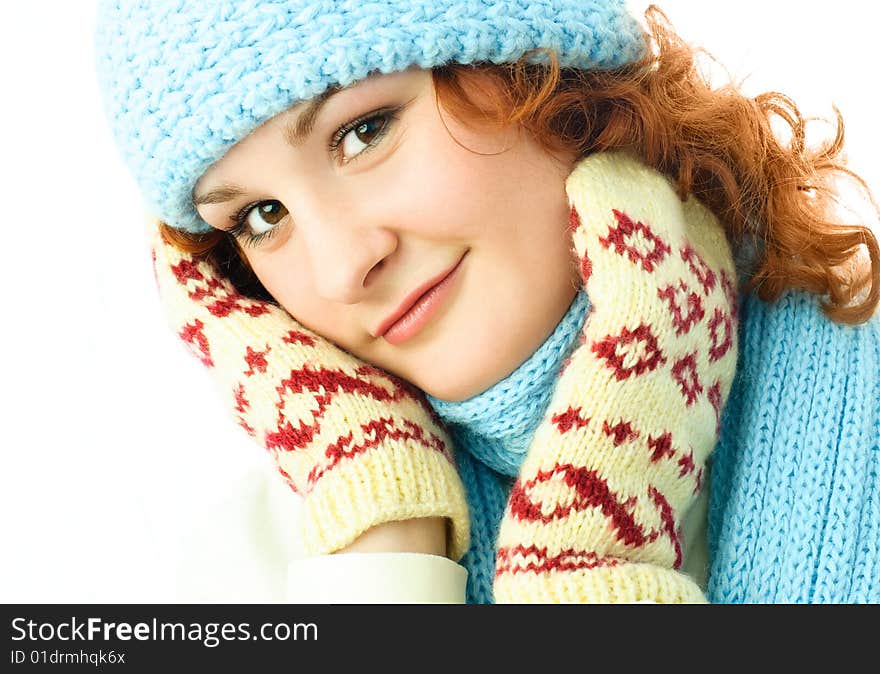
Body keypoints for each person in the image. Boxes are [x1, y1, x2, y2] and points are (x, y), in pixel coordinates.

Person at [94, 0, 880, 603]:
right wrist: (386, 539)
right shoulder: (242, 565)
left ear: (541, 75)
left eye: (364, 132)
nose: (341, 269)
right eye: (262, 218)